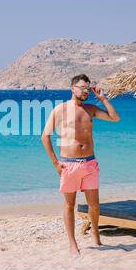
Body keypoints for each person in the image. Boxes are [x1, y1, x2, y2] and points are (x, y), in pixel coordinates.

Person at [41, 74, 120, 255]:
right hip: (69, 165)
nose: (86, 91)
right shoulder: (60, 110)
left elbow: (115, 118)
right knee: (70, 205)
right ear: (73, 88)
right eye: (83, 88)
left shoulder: (91, 109)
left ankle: (95, 231)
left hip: (89, 163)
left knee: (95, 205)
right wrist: (55, 163)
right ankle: (72, 243)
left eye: (88, 88)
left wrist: (102, 98)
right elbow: (45, 136)